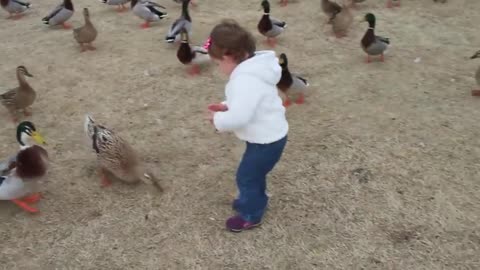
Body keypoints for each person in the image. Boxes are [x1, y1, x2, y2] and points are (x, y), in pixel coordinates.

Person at [206, 19, 289, 232]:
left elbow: (240, 117)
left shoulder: (245, 80)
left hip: (266, 141)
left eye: (217, 63)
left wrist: (218, 121)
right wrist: (226, 106)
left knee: (247, 176)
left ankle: (251, 214)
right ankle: (254, 200)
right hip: (268, 137)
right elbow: (248, 104)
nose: (218, 68)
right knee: (254, 173)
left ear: (227, 57)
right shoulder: (255, 70)